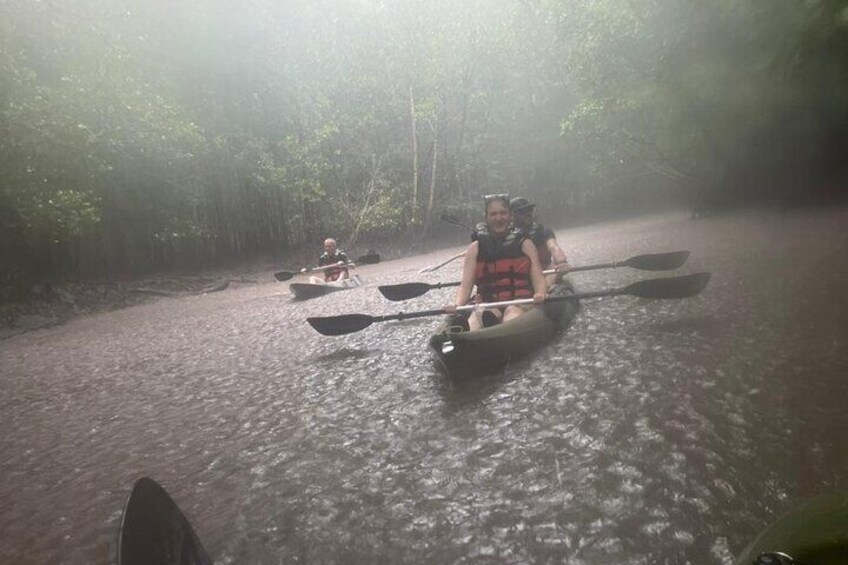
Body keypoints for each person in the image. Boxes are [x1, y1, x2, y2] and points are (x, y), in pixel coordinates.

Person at [447, 194, 547, 331]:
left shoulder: (525, 244)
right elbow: (465, 286)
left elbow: (538, 277)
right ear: (486, 217)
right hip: (489, 302)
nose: (499, 218)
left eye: (503, 213)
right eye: (493, 214)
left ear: (510, 216)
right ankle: (471, 332)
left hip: (520, 301)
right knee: (480, 313)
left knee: (512, 311)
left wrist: (540, 293)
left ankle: (501, 332)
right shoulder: (475, 249)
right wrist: (457, 305)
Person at [509, 197, 570, 284]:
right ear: (512, 215)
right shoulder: (507, 235)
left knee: (554, 266)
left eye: (529, 210)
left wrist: (561, 262)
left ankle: (545, 290)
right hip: (520, 276)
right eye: (522, 212)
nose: (527, 214)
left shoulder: (543, 230)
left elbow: (553, 247)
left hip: (545, 273)